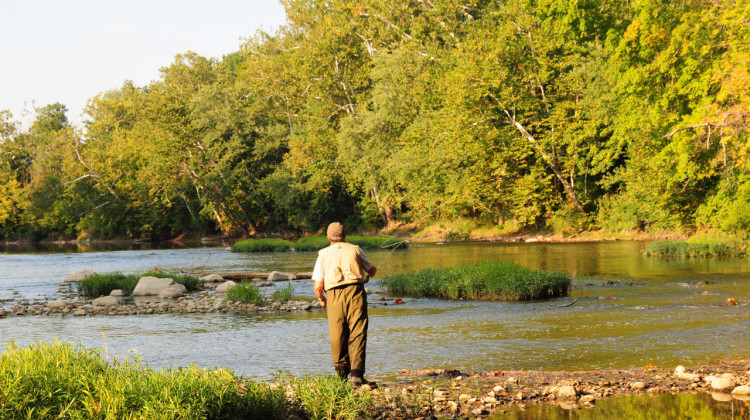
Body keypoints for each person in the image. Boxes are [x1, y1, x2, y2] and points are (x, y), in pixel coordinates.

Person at [312, 222, 377, 387]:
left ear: (328, 237)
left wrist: (322, 300)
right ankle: (357, 376)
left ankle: (341, 377)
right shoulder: (356, 249)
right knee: (358, 332)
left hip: (334, 295)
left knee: (337, 333)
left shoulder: (323, 254)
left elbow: (318, 286)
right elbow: (371, 271)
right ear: (344, 235)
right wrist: (371, 270)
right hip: (356, 293)